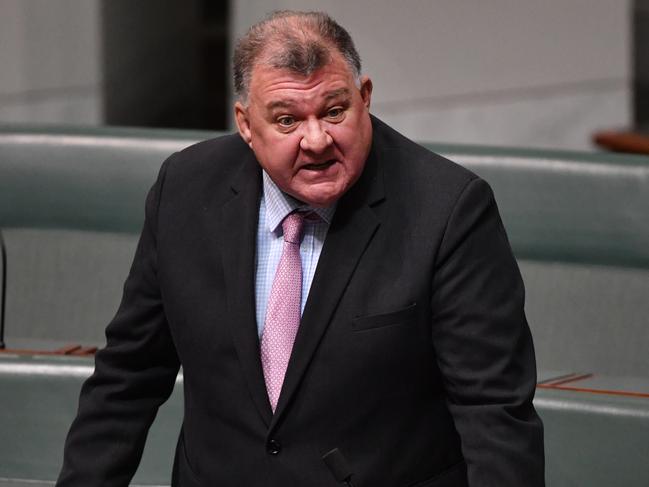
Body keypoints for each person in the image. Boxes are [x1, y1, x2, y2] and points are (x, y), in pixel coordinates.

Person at [57, 10, 544, 487]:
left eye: (335, 111)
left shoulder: (447, 209)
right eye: (288, 120)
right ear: (246, 125)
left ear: (365, 97)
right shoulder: (185, 189)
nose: (317, 140)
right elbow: (129, 375)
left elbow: (493, 410)